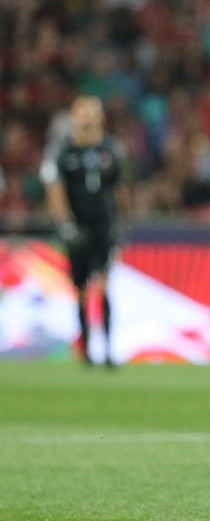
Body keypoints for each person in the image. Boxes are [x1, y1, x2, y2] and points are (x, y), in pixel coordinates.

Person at [40, 96, 129, 367]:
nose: (87, 117)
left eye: (92, 112)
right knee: (79, 288)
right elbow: (54, 190)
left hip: (104, 225)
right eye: (82, 112)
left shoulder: (112, 149)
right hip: (78, 225)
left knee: (103, 285)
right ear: (74, 117)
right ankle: (87, 350)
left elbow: (119, 189)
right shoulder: (62, 151)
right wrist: (65, 223)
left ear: (101, 117)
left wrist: (121, 224)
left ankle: (109, 350)